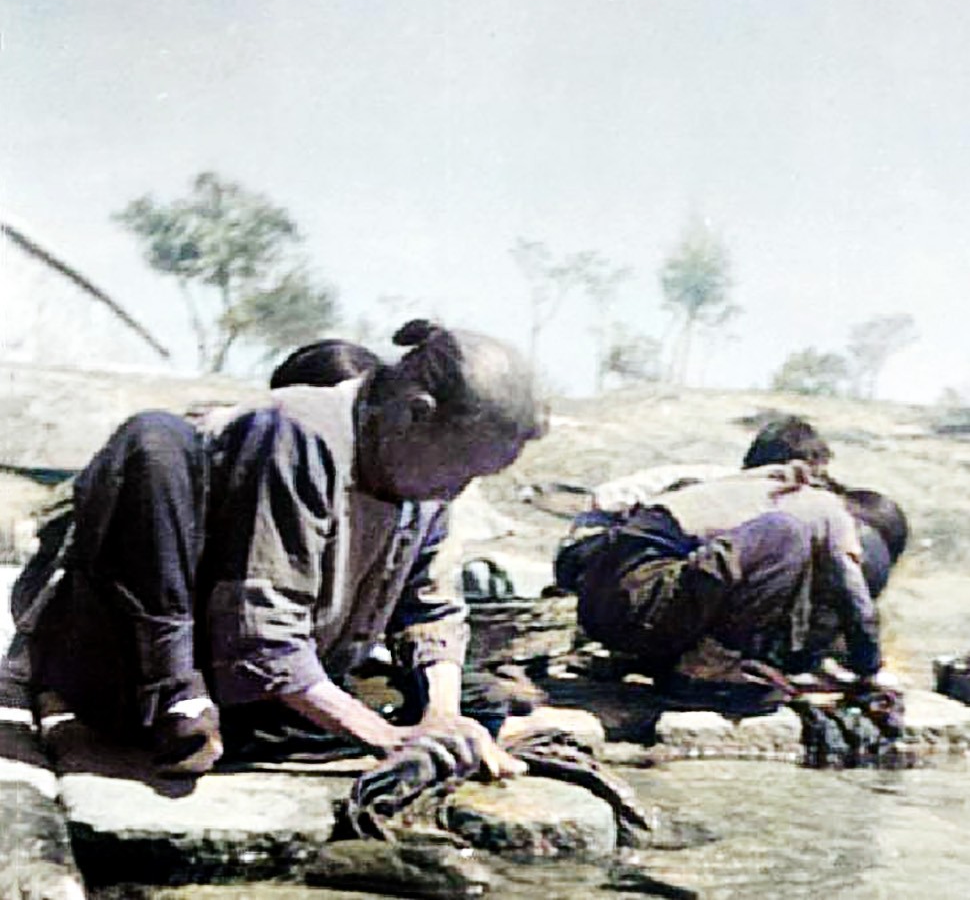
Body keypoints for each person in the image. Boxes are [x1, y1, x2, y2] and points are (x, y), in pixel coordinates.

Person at [17, 321, 542, 777]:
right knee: (156, 439)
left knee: (477, 705)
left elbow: (429, 608)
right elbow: (262, 633)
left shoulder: (421, 478)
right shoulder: (300, 431)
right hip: (164, 664)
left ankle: (296, 723)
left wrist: (441, 717)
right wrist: (386, 738)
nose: (459, 490)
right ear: (414, 414)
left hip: (286, 674)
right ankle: (159, 711)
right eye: (463, 469)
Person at [554, 465, 905, 687]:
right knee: (783, 535)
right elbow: (854, 596)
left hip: (607, 602)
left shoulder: (770, 485)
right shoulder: (827, 510)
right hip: (637, 596)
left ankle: (667, 660)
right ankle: (707, 668)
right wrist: (870, 669)